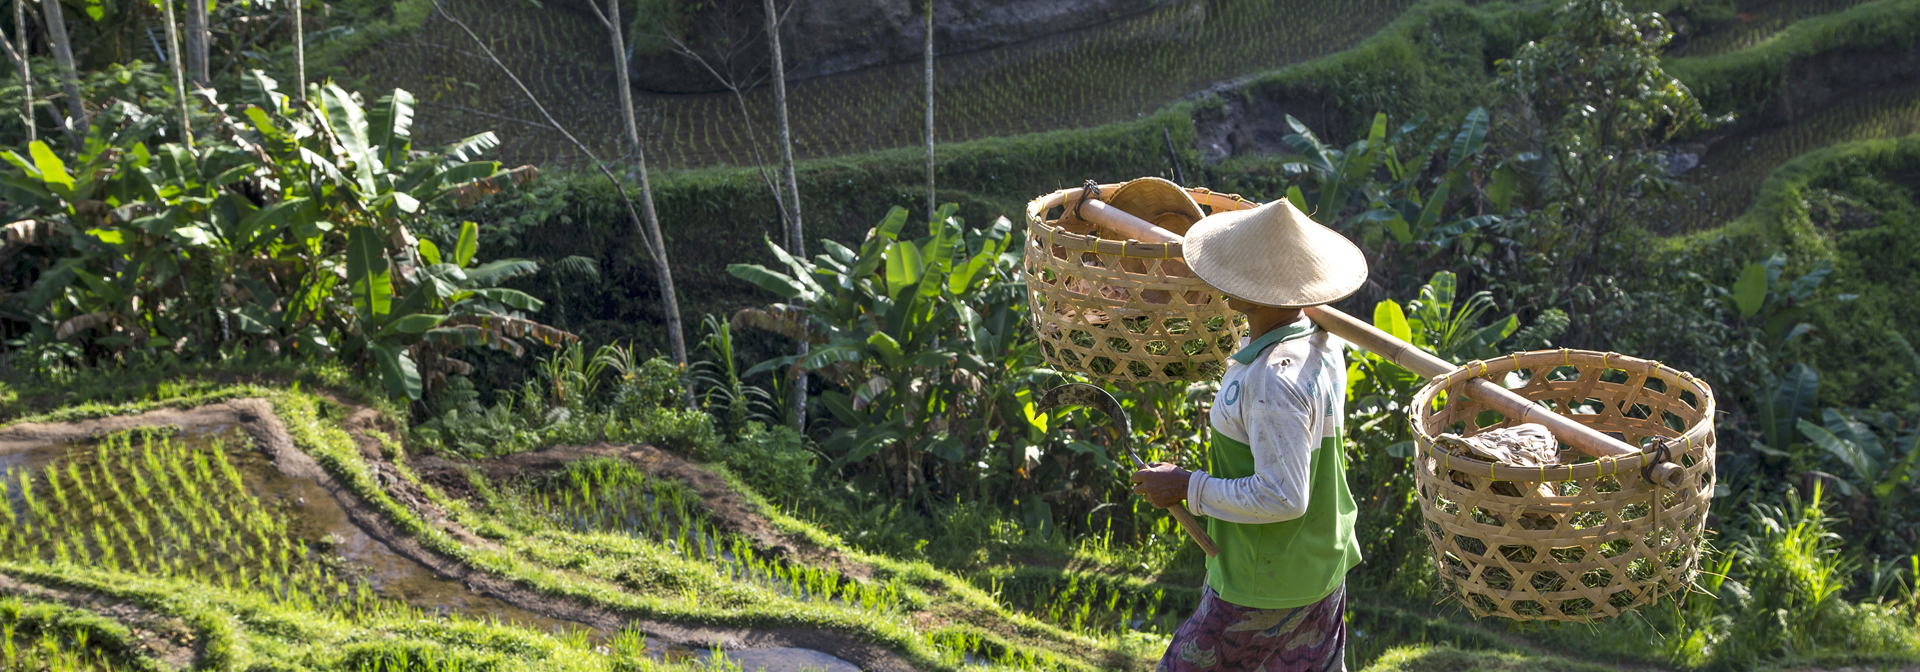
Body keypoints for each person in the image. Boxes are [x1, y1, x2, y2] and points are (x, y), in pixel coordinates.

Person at [1129, 198, 1367, 672]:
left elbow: (1282, 496)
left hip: (1264, 586)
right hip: (1317, 568)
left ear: (1259, 294)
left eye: (1236, 271)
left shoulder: (1272, 382)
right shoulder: (1319, 339)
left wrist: (1186, 486)